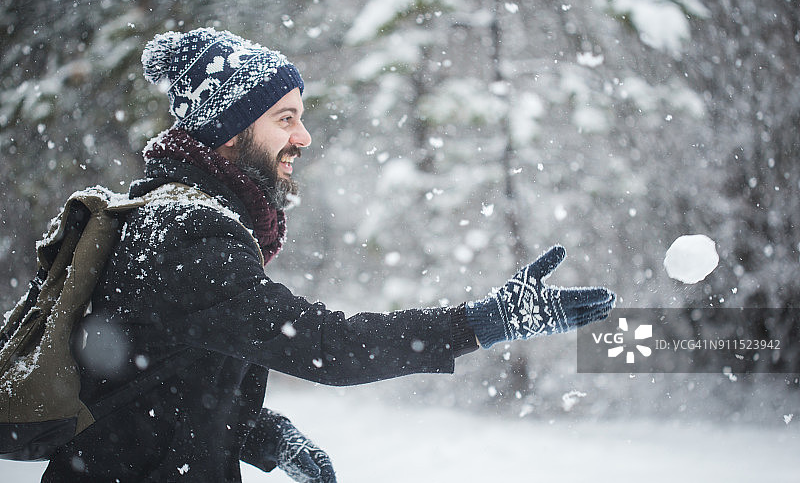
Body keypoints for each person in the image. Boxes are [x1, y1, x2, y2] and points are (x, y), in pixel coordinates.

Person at [41, 28, 616, 483]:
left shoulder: (163, 216)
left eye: (301, 116)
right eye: (284, 119)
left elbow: (154, 380)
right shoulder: (188, 233)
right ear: (226, 131)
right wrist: (486, 322)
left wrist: (262, 435)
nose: (304, 136)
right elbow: (325, 346)